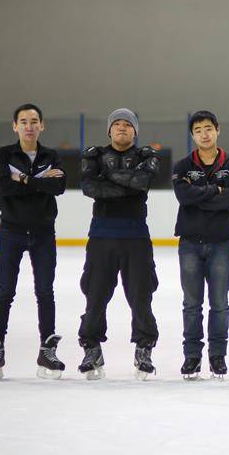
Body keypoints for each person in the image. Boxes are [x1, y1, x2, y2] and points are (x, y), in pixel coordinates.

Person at [0, 103, 67, 380]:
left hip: (43, 233)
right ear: (15, 126)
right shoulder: (4, 154)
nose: (29, 126)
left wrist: (22, 178)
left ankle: (47, 349)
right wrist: (39, 181)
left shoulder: (50, 155)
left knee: (45, 291)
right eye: (23, 121)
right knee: (5, 290)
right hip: (11, 231)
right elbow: (2, 186)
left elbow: (58, 186)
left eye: (34, 121)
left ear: (42, 125)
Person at [78, 108, 161, 380]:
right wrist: (127, 184)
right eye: (117, 124)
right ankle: (91, 348)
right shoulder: (94, 155)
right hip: (102, 236)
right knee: (95, 295)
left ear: (135, 131)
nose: (122, 128)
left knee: (141, 295)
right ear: (109, 130)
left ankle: (144, 348)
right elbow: (90, 188)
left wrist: (107, 177)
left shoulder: (146, 156)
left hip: (136, 236)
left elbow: (143, 183)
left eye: (127, 124)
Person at [172, 110, 229, 380]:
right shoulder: (182, 166)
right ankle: (192, 356)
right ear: (192, 135)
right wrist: (215, 190)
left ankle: (217, 356)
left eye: (208, 128)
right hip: (190, 244)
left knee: (219, 303)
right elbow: (183, 197)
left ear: (217, 130)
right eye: (198, 130)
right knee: (192, 304)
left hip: (221, 243)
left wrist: (198, 194)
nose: (204, 134)